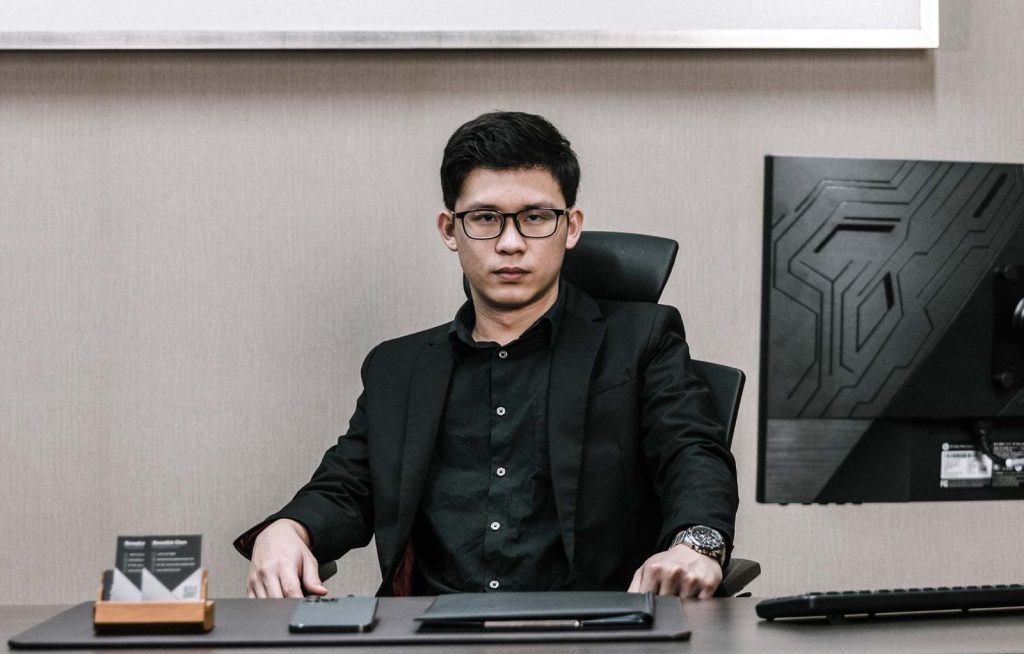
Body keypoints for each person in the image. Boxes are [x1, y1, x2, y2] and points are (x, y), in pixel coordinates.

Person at [234, 111, 738, 600]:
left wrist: (697, 545)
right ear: (450, 230)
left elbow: (691, 451)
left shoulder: (641, 339)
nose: (511, 243)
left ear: (572, 227)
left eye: (536, 217)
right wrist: (288, 529)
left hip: (593, 629)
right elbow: (348, 485)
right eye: (485, 219)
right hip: (428, 636)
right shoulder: (400, 368)